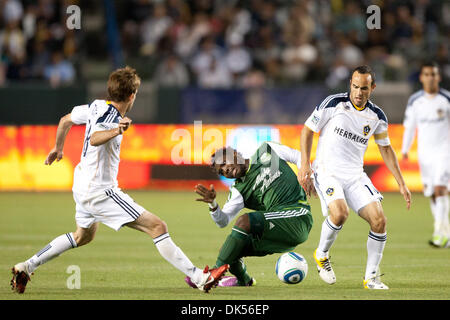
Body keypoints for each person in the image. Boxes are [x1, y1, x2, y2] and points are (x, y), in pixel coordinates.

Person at [10, 66, 228, 294]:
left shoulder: (95, 106)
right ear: (132, 95)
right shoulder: (113, 118)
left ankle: (26, 266)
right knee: (157, 226)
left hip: (82, 184)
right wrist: (116, 130)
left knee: (82, 236)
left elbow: (65, 120)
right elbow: (95, 138)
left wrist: (58, 147)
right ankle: (199, 277)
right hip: (100, 191)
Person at [298, 65, 411, 290]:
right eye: (355, 87)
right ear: (350, 84)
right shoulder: (334, 103)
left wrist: (401, 183)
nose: (359, 92)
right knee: (340, 213)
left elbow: (385, 148)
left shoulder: (377, 116)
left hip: (355, 176)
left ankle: (371, 278)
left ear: (373, 88)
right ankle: (321, 254)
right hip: (327, 171)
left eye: (364, 88)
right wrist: (304, 165)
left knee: (379, 221)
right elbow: (307, 130)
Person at [185, 141, 313, 287]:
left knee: (244, 221)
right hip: (279, 227)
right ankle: (245, 280)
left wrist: (309, 176)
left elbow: (298, 156)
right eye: (221, 171)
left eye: (224, 163)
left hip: (297, 215)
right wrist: (213, 204)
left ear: (234, 154)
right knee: (231, 249)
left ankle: (211, 275)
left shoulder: (267, 150)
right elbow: (222, 221)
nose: (225, 170)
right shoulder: (239, 190)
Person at [401, 62, 450, 248]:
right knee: (432, 194)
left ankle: (440, 233)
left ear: (438, 77)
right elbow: (410, 127)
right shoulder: (415, 101)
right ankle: (445, 233)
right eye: (427, 74)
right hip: (425, 154)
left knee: (440, 189)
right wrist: (405, 149)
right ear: (421, 77)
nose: (430, 77)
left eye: (433, 74)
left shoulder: (446, 99)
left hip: (445, 152)